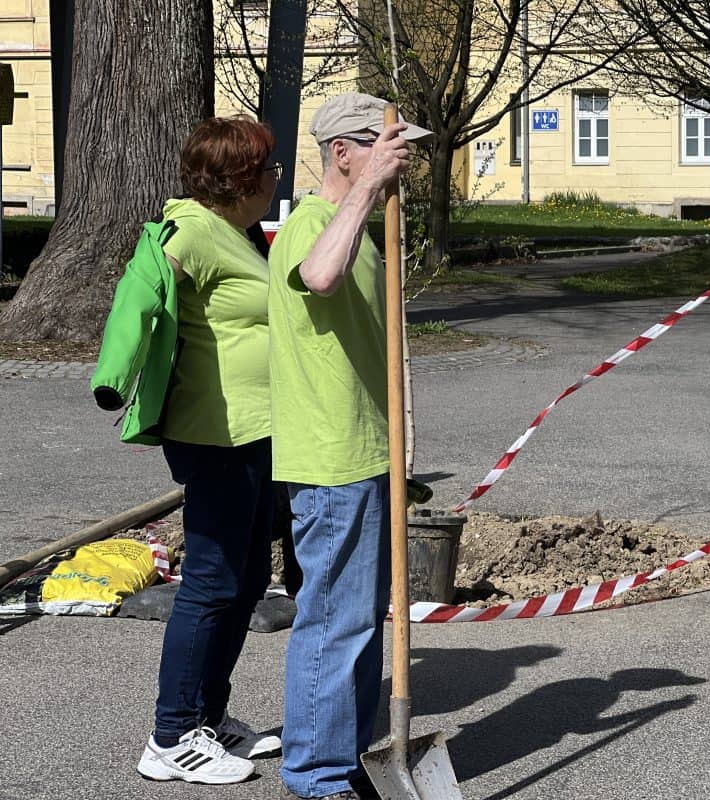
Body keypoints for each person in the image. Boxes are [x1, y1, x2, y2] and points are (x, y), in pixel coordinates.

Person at [267, 93, 432, 800]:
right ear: (343, 152)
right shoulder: (312, 226)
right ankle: (315, 774)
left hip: (370, 454)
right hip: (332, 460)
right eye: (382, 146)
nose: (400, 159)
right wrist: (368, 189)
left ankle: (349, 758)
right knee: (335, 622)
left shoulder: (362, 232)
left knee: (361, 623)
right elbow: (318, 276)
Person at [134, 115, 283, 784]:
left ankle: (207, 717)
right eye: (268, 168)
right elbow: (142, 294)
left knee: (246, 581)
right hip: (214, 431)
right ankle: (170, 737)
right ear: (239, 180)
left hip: (255, 431)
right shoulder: (192, 229)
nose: (276, 177)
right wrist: (120, 372)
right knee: (211, 581)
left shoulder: (239, 233)